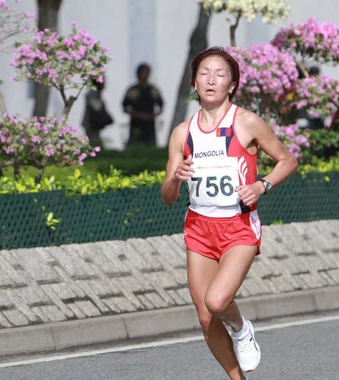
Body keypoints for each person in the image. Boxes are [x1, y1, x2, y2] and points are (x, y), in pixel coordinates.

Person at [160, 47, 298, 380]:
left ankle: (240, 328)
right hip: (199, 227)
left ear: (232, 84)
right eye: (204, 73)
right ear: (194, 82)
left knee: (218, 302)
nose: (211, 80)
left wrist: (261, 186)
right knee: (206, 318)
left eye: (220, 74)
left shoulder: (246, 122)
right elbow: (167, 197)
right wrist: (175, 179)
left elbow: (288, 161)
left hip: (238, 226)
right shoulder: (183, 132)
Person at [122, 63, 164, 146]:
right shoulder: (133, 90)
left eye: (146, 72)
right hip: (136, 123)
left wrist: (154, 115)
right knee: (135, 144)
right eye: (142, 72)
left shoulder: (153, 90)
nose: (144, 75)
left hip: (150, 124)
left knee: (150, 145)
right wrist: (137, 114)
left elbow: (161, 104)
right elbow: (125, 106)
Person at [82, 76, 113, 146]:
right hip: (91, 124)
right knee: (94, 144)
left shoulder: (96, 94)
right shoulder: (92, 94)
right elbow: (97, 108)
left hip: (93, 125)